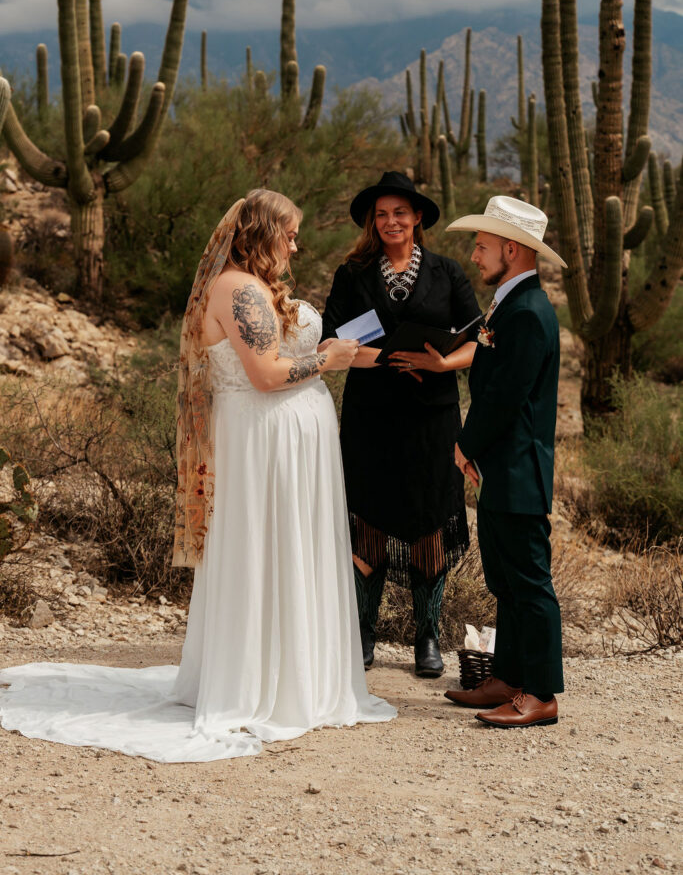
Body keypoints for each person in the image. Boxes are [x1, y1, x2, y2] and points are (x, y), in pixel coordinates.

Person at [0, 189, 396, 762]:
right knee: (263, 548)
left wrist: (338, 352)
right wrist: (327, 362)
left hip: (289, 442)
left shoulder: (259, 289)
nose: (295, 242)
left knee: (293, 548)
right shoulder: (236, 287)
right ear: (259, 234)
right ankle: (261, 685)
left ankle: (294, 674)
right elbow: (264, 375)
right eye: (287, 232)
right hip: (261, 441)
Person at [321, 171, 481, 678]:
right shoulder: (353, 274)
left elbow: (479, 341)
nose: (391, 221)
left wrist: (437, 365)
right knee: (368, 522)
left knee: (429, 524)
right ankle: (363, 633)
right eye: (382, 214)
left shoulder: (448, 272)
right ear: (374, 221)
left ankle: (426, 638)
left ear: (416, 219)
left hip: (433, 418)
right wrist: (385, 359)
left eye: (400, 213)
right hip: (371, 417)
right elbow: (329, 344)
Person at [443, 194, 566, 728]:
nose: (475, 254)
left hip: (519, 470)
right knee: (507, 581)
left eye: (483, 245)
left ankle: (540, 693)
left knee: (530, 584)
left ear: (512, 250)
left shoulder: (529, 313)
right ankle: (510, 677)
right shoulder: (509, 305)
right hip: (502, 467)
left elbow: (505, 398)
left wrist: (466, 445)